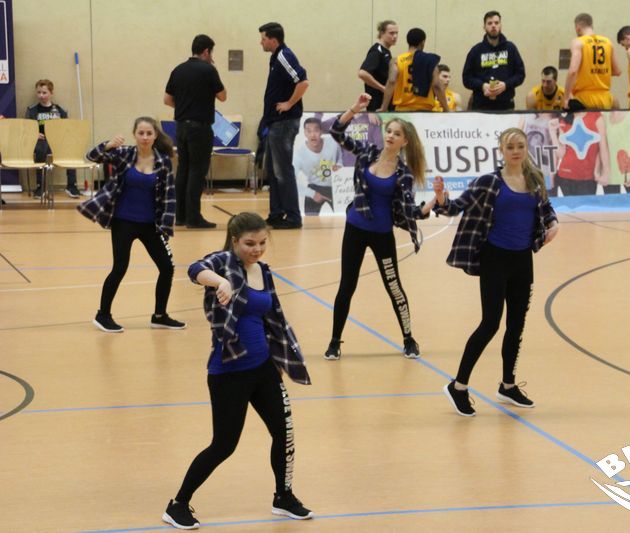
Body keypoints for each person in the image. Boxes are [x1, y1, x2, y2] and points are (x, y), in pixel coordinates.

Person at [162, 212, 313, 530]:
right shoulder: (224, 263)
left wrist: (279, 361)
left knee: (284, 433)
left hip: (264, 368)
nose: (256, 250)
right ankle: (177, 505)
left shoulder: (264, 272)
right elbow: (194, 269)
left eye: (261, 243)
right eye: (249, 244)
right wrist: (220, 282)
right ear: (234, 241)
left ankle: (283, 497)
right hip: (229, 371)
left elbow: (272, 318)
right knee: (224, 445)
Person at [435, 128, 559, 417]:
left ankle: (507, 385)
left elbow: (545, 207)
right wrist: (441, 199)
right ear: (501, 150)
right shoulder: (489, 182)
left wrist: (553, 223)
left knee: (516, 325)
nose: (516, 151)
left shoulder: (535, 179)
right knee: (490, 323)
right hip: (495, 259)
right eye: (510, 147)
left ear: (526, 149)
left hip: (523, 260)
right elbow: (456, 206)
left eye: (520, 146)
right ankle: (458, 386)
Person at [325, 93, 437, 361]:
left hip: (382, 235)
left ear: (404, 142)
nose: (390, 136)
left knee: (394, 286)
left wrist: (434, 201)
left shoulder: (403, 174)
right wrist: (354, 109)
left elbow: (410, 211)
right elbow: (336, 132)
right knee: (346, 286)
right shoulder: (367, 153)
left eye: (397, 134)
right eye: (389, 131)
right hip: (355, 228)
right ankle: (334, 341)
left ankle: (408, 338)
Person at [77, 117, 184, 333]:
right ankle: (103, 315)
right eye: (141, 133)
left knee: (167, 267)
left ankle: (160, 316)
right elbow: (90, 156)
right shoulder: (124, 153)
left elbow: (169, 197)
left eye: (149, 133)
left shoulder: (163, 161)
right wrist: (108, 145)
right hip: (123, 222)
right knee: (120, 267)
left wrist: (165, 227)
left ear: (155, 136)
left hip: (150, 225)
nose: (145, 137)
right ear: (134, 134)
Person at [164, 34, 226, 229]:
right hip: (200, 128)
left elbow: (167, 100)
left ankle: (180, 216)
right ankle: (193, 217)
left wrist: (185, 106)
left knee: (183, 169)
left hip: (181, 126)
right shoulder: (209, 70)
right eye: (211, 53)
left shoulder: (178, 70)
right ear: (206, 51)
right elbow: (223, 96)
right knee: (197, 171)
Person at [258, 22, 310, 229]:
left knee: (283, 170)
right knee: (273, 170)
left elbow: (303, 82)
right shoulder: (275, 58)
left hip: (284, 123)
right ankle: (276, 213)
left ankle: (293, 216)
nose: (261, 42)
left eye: (263, 39)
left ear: (273, 40)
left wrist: (289, 103)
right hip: (275, 123)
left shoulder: (284, 56)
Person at [25, 79, 79, 199]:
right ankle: (41, 187)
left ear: (51, 93)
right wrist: (34, 134)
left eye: (44, 93)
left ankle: (72, 186)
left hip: (57, 141)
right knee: (41, 148)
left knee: (71, 148)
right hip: (41, 141)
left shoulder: (60, 110)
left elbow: (67, 128)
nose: (41, 95)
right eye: (39, 92)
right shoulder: (32, 110)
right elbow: (26, 128)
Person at [462, 10, 526, 111]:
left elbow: (520, 74)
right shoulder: (476, 50)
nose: (493, 26)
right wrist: (482, 86)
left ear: (501, 25)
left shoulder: (511, 48)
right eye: (490, 23)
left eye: (496, 23)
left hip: (506, 106)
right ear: (484, 27)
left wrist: (506, 85)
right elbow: (466, 78)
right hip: (481, 106)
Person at [379, 28, 448, 112]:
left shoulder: (396, 60)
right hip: (424, 109)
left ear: (408, 42)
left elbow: (391, 81)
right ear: (423, 42)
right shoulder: (429, 60)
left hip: (402, 110)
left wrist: (384, 107)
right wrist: (446, 109)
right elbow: (436, 85)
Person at [563, 13, 621, 110]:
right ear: (591, 25)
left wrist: (566, 97)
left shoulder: (578, 42)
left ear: (577, 27)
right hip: (605, 98)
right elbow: (617, 71)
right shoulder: (608, 42)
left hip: (585, 98)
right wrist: (598, 72)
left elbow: (573, 71)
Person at [293, 117, 342, 215]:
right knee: (310, 218)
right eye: (309, 131)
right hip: (314, 187)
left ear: (321, 132)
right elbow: (291, 180)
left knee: (343, 215)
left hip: (335, 186)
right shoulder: (299, 154)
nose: (313, 135)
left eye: (316, 130)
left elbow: (340, 159)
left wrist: (339, 166)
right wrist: (311, 194)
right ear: (305, 133)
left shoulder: (333, 143)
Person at [358, 20, 399, 112]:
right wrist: (383, 88)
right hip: (376, 104)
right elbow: (362, 73)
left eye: (396, 33)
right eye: (391, 33)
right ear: (382, 33)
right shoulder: (377, 51)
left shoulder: (385, 52)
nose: (395, 36)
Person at [603, 111, 630, 194]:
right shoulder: (605, 116)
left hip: (629, 170)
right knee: (613, 202)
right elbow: (603, 147)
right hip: (610, 174)